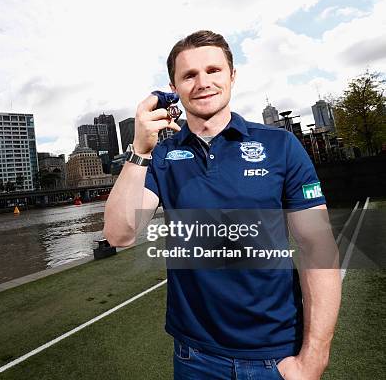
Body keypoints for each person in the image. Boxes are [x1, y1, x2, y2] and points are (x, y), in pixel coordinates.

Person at [103, 30, 341, 379]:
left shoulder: (281, 146)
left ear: (232, 75)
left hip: (274, 354)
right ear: (174, 86)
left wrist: (315, 357)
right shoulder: (163, 156)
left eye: (213, 70)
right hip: (194, 357)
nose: (203, 82)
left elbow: (317, 246)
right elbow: (118, 235)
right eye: (189, 75)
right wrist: (139, 152)